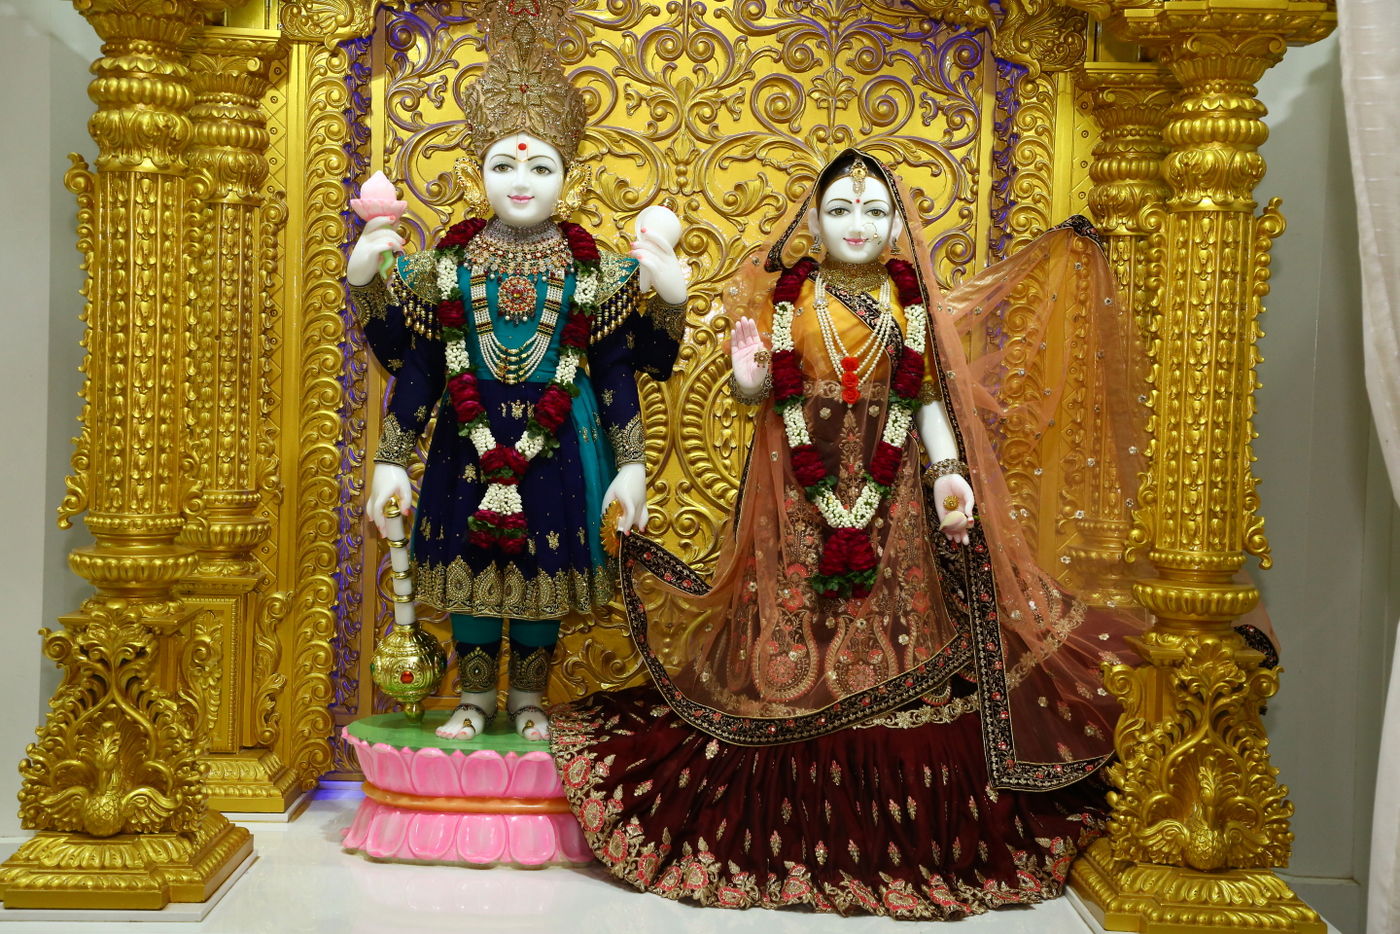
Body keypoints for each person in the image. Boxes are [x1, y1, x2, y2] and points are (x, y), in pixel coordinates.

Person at [549, 149, 1149, 919]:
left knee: (895, 627)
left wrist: (947, 477)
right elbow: (759, 388)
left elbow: (930, 396)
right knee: (793, 623)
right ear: (815, 222)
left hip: (892, 493)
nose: (856, 225)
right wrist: (749, 371)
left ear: (898, 224)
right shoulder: (791, 293)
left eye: (872, 212)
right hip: (798, 492)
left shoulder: (912, 302)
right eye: (839, 211)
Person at [344, 0, 687, 742]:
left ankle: (528, 699)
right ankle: (471, 697)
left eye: (540, 165)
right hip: (466, 449)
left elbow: (633, 369)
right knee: (471, 569)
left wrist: (633, 465)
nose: (521, 179)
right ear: (481, 172)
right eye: (504, 164)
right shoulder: (447, 266)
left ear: (569, 173)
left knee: (541, 576)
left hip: (562, 445)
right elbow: (416, 365)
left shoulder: (595, 273)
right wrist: (390, 460)